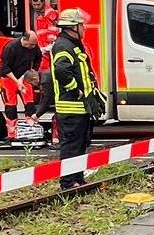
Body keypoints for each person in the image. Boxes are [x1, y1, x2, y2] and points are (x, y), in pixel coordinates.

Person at [48, 7, 96, 188]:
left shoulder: (72, 44)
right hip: (70, 106)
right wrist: (76, 91)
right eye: (81, 25)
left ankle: (77, 177)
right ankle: (67, 182)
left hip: (79, 106)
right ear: (73, 27)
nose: (84, 28)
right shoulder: (63, 46)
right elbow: (61, 70)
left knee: (80, 143)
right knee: (71, 146)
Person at [0, 29, 42, 141]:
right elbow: (4, 68)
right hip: (8, 78)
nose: (33, 46)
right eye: (31, 44)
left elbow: (38, 58)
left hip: (25, 76)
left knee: (30, 103)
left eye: (34, 44)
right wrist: (17, 82)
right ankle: (12, 134)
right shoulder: (11, 48)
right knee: (10, 106)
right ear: (24, 40)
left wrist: (33, 71)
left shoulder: (34, 47)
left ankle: (31, 130)